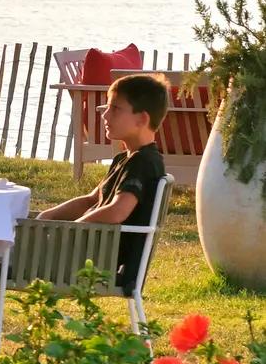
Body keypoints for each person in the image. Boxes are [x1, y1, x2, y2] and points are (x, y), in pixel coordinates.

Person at [37, 70, 170, 290]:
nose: (105, 115)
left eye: (115, 109)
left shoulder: (143, 163)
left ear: (142, 119)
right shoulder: (124, 159)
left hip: (92, 263)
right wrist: (49, 215)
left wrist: (75, 228)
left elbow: (118, 211)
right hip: (88, 253)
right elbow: (91, 200)